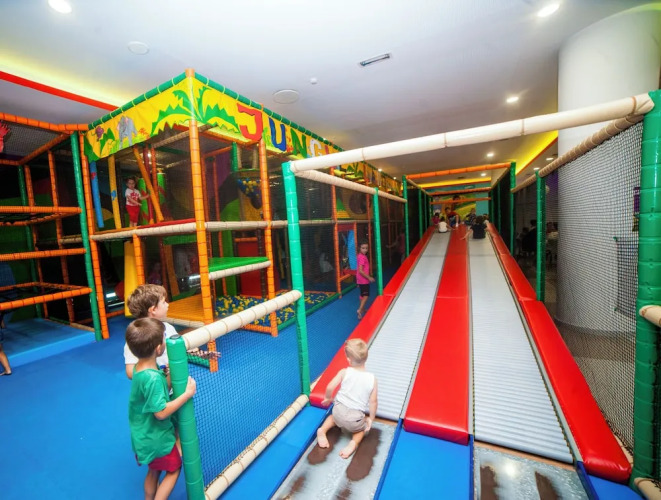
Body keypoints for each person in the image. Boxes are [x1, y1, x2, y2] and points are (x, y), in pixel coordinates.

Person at [126, 317, 197, 500]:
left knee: (154, 470)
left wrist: (171, 372)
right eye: (164, 338)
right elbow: (161, 412)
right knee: (174, 470)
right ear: (159, 348)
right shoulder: (153, 378)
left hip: (143, 435)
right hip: (156, 438)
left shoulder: (141, 369)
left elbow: (159, 390)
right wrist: (186, 395)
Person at [316, 339, 378, 459]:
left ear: (349, 360)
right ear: (367, 357)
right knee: (360, 430)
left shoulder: (344, 372)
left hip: (338, 411)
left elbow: (330, 387)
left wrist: (328, 398)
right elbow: (373, 401)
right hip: (354, 419)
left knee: (332, 418)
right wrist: (371, 418)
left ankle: (322, 430)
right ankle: (353, 443)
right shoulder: (372, 379)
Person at [124, 284, 177, 380]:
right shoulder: (137, 337)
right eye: (164, 302)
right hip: (154, 386)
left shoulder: (168, 328)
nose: (167, 304)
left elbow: (178, 348)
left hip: (173, 381)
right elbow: (130, 372)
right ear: (153, 310)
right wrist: (157, 374)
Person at [355, 241, 375, 320]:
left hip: (360, 279)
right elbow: (360, 270)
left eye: (366, 248)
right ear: (359, 248)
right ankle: (359, 310)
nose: (365, 250)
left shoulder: (360, 255)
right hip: (363, 279)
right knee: (366, 295)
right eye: (363, 248)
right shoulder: (362, 257)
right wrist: (369, 277)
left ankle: (362, 309)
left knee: (362, 295)